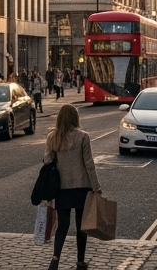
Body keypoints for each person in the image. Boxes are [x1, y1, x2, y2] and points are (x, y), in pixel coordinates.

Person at [42, 104, 102, 270]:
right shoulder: (83, 136)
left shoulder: (52, 137)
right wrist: (96, 186)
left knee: (63, 225)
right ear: (75, 118)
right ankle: (80, 262)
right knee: (81, 226)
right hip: (82, 186)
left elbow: (47, 161)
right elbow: (89, 164)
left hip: (61, 187)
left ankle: (55, 258)